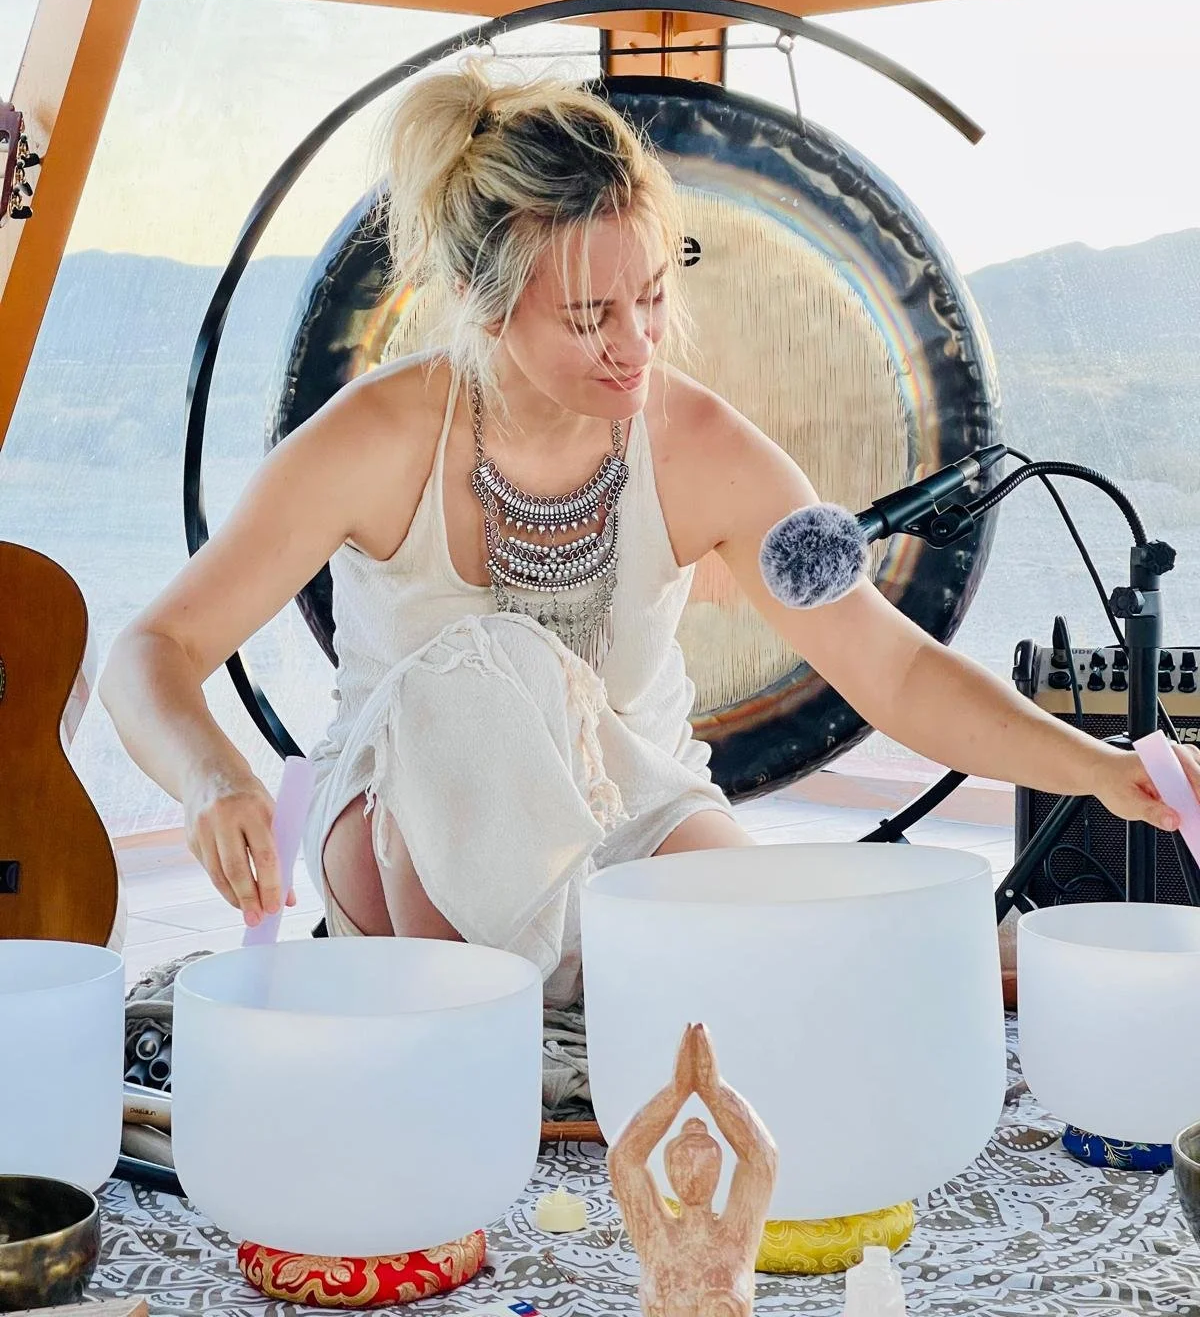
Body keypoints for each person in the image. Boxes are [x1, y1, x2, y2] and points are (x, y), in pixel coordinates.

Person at [101, 61, 1200, 1004]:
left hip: (630, 810)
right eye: (590, 317)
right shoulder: (377, 436)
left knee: (729, 921)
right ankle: (562, 999)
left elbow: (894, 669)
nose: (637, 344)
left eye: (652, 296)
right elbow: (151, 653)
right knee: (482, 672)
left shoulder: (701, 446)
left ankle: (641, 968)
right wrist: (210, 778)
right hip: (399, 835)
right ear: (487, 307)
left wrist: (1096, 769)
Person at [609, 1023, 776, 1317]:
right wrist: (676, 1090)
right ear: (669, 1171)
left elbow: (760, 1159)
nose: (694, 1172)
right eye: (684, 1162)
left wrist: (714, 1090)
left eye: (704, 1162)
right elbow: (624, 1158)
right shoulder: (656, 1236)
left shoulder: (735, 1237)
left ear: (719, 1169)